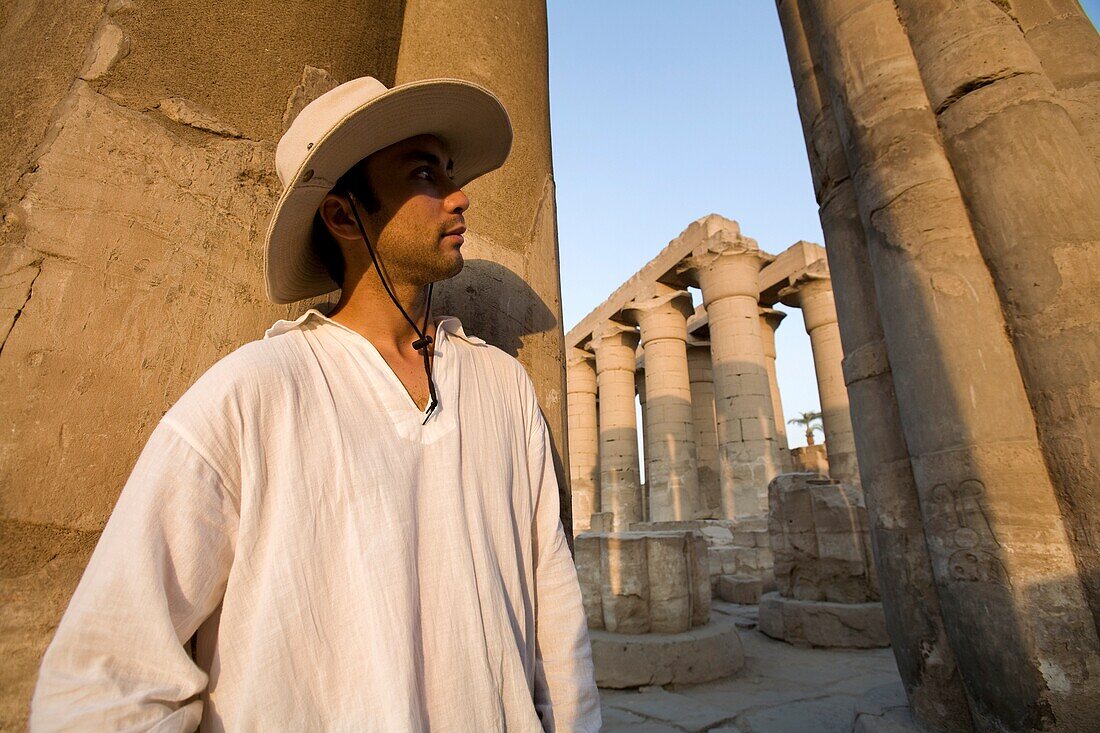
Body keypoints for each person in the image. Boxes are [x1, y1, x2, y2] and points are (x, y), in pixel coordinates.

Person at [30, 75, 600, 732]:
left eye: (449, 171)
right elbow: (101, 680)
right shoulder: (252, 394)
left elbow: (557, 624)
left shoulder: (502, 387)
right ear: (342, 215)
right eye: (425, 174)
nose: (460, 196)